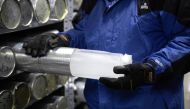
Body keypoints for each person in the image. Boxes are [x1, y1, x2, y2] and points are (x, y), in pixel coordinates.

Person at [23, 0, 190, 109]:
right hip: (98, 103)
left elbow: (186, 39)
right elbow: (84, 31)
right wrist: (62, 39)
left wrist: (150, 69)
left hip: (149, 103)